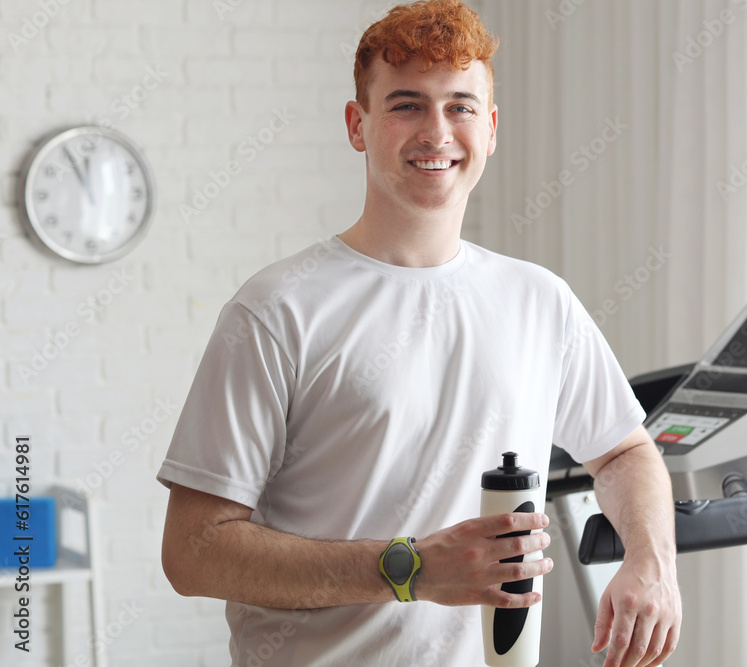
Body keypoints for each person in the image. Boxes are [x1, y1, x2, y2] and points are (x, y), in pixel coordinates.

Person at [158, 1, 681, 665]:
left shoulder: (540, 300)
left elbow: (625, 453)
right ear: (359, 124)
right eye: (407, 104)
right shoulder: (278, 309)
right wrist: (412, 568)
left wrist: (651, 561)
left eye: (460, 106)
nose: (437, 131)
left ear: (490, 129)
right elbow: (194, 551)